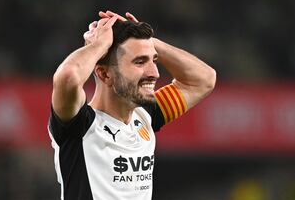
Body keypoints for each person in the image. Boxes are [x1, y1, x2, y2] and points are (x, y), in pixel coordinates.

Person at [48, 10, 216, 200]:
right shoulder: (79, 126)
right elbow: (68, 76)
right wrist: (101, 45)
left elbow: (204, 80)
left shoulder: (145, 116)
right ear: (104, 74)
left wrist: (151, 42)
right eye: (140, 62)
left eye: (154, 60)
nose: (154, 73)